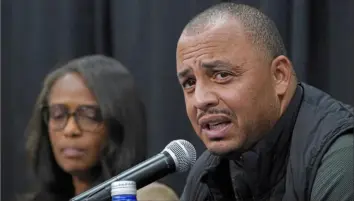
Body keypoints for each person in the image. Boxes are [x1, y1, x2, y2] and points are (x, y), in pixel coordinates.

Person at [176, 3, 353, 201]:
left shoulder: (341, 158)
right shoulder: (209, 171)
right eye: (189, 83)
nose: (200, 100)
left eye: (221, 75)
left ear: (279, 76)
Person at [24, 55, 178, 201]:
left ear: (119, 124)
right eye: (58, 115)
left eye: (89, 116)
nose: (70, 130)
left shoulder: (148, 196)